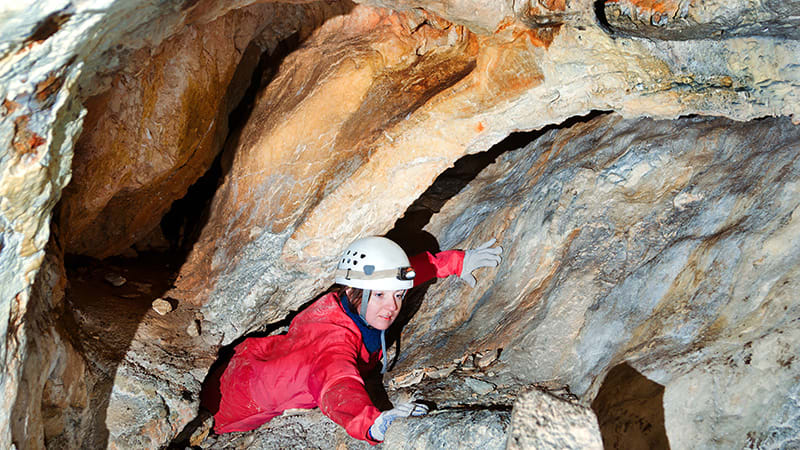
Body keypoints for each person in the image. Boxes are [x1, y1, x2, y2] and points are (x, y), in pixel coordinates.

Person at [206, 236, 502, 443]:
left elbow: (406, 273)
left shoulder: (356, 299)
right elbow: (337, 385)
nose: (392, 307)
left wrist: (456, 262)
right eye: (383, 296)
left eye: (398, 295)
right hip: (232, 406)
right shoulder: (333, 341)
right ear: (353, 292)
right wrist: (374, 423)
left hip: (252, 362)